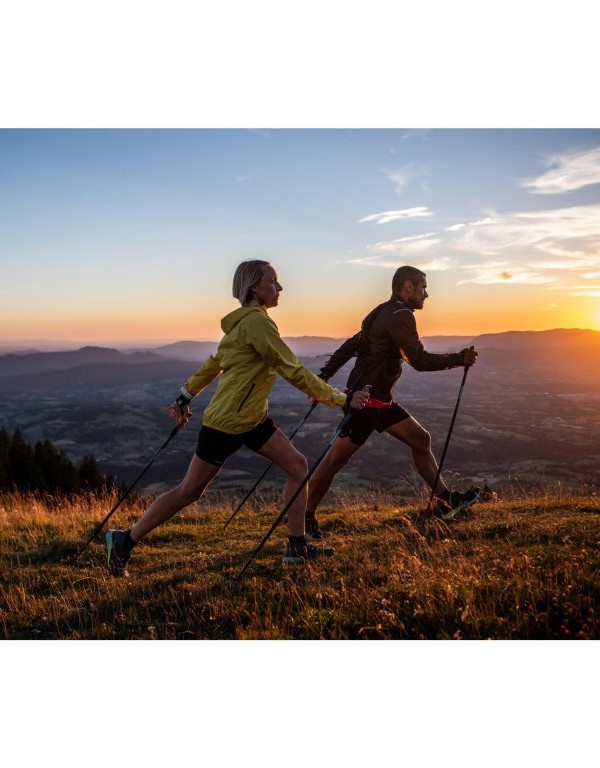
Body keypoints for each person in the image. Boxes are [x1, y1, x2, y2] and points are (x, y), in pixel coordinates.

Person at [105, 260, 369, 576]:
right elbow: (292, 369)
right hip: (226, 424)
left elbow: (214, 362)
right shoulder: (256, 324)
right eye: (273, 281)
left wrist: (186, 394)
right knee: (189, 491)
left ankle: (296, 547)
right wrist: (341, 400)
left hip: (252, 420)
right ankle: (124, 540)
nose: (280, 287)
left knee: (298, 466)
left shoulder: (246, 323)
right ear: (255, 287)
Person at [303, 265, 479, 540]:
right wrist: (458, 359)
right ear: (408, 286)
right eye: (423, 287)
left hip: (380, 400)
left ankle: (446, 502)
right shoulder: (400, 315)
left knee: (421, 439)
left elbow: (351, 345)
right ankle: (303, 518)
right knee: (334, 461)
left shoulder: (381, 311)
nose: (426, 294)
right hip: (366, 401)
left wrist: (324, 376)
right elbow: (419, 360)